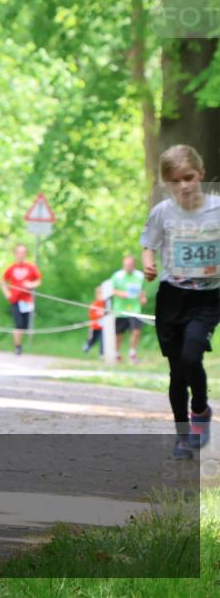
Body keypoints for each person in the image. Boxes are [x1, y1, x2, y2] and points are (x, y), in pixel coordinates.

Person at [141, 144, 217, 459]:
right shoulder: (163, 212)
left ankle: (200, 409)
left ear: (201, 174)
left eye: (189, 177)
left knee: (191, 356)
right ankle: (183, 436)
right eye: (175, 181)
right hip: (172, 297)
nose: (183, 186)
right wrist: (149, 265)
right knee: (176, 370)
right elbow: (149, 243)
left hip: (207, 297)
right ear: (167, 184)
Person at [0, 244, 42, 355]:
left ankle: (22, 344)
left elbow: (38, 280)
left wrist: (31, 284)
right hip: (15, 300)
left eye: (23, 252)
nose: (21, 255)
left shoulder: (31, 267)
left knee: (25, 325)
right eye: (19, 252)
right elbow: (3, 280)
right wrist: (6, 293)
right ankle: (17, 347)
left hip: (27, 301)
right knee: (18, 323)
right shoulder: (11, 268)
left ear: (26, 254)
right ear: (15, 254)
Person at [110, 255, 148, 364]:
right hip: (120, 310)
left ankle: (132, 354)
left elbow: (142, 290)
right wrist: (122, 294)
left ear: (134, 265)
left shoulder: (140, 276)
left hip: (135, 309)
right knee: (118, 334)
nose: (128, 267)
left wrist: (143, 298)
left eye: (130, 265)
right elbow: (111, 290)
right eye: (126, 265)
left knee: (136, 331)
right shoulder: (117, 276)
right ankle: (116, 354)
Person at [83, 286, 105, 356]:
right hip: (94, 327)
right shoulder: (94, 304)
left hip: (102, 327)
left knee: (103, 340)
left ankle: (102, 354)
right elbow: (91, 315)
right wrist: (100, 316)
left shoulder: (106, 305)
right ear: (97, 295)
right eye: (100, 294)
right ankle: (87, 347)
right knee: (92, 339)